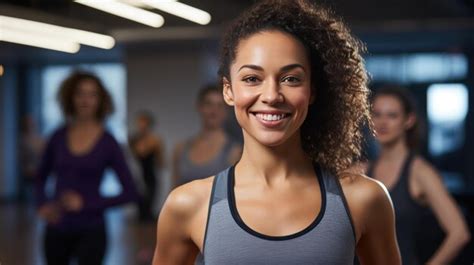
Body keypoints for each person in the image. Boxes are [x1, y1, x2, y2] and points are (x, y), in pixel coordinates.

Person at [153, 0, 400, 264]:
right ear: (228, 90)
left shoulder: (364, 199)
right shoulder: (188, 205)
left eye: (291, 79)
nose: (271, 96)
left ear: (312, 91)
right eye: (252, 79)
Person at [358, 86, 470, 264]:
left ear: (408, 120)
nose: (382, 122)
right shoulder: (360, 171)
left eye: (392, 115)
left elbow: (459, 233)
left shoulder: (421, 172)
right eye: (377, 114)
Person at [35, 71, 138, 265]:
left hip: (92, 230)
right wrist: (42, 204)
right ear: (70, 98)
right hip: (57, 227)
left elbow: (130, 192)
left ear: (101, 101)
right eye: (80, 93)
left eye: (92, 94)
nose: (85, 100)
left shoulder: (108, 142)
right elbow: (40, 177)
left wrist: (87, 204)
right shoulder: (57, 137)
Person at [171, 85, 241, 187]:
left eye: (220, 105)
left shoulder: (235, 151)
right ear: (199, 107)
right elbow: (173, 190)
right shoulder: (181, 149)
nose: (214, 111)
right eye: (209, 104)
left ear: (226, 111)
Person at [129, 111, 164, 222]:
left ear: (149, 124)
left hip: (150, 175)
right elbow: (133, 156)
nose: (141, 125)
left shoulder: (155, 140)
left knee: (149, 205)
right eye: (139, 122)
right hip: (139, 175)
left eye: (143, 122)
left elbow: (161, 162)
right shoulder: (133, 140)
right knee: (140, 207)